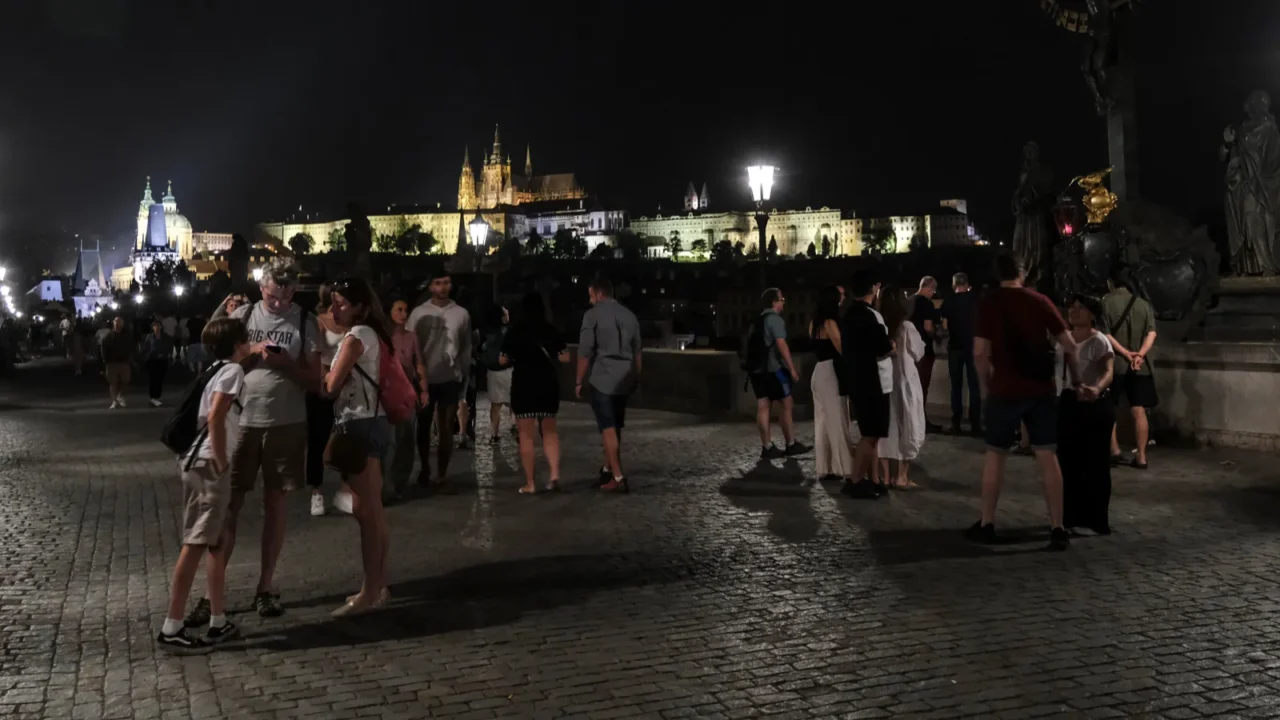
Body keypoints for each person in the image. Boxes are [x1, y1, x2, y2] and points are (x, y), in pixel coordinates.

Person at [190, 257, 321, 625]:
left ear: (294, 290)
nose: (276, 304)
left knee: (276, 505)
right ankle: (209, 594)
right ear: (261, 288)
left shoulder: (304, 322)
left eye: (283, 297)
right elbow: (212, 346)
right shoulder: (245, 315)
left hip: (287, 422)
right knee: (228, 506)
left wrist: (285, 365)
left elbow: (316, 381)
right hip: (240, 421)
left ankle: (266, 587)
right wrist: (248, 350)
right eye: (270, 296)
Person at [966, 253, 1082, 551]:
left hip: (1004, 388)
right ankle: (1057, 527)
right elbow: (1070, 345)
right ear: (1024, 272)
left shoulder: (989, 302)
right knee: (1047, 456)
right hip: (1040, 389)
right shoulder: (1040, 301)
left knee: (995, 455)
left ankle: (987, 522)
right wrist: (1078, 381)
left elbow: (980, 352)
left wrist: (984, 386)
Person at [155, 317, 250, 654]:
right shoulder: (233, 373)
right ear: (239, 344)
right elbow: (216, 416)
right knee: (196, 542)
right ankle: (173, 625)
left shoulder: (214, 369)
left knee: (216, 541)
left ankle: (218, 619)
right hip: (209, 463)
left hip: (195, 460)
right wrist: (222, 460)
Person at [324, 277, 393, 617]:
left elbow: (330, 386)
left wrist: (319, 370)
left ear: (361, 307)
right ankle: (378, 585)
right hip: (373, 421)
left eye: (341, 303)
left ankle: (370, 591)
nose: (334, 308)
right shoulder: (370, 334)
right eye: (333, 302)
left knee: (368, 514)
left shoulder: (358, 336)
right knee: (372, 511)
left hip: (361, 422)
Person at [1056, 294, 1116, 535]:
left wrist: (1096, 388)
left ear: (1092, 314)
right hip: (1068, 401)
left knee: (1096, 464)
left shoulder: (1099, 341)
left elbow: (1109, 371)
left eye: (1081, 308)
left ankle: (1097, 519)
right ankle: (1069, 517)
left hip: (1093, 404)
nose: (1074, 311)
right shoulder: (1063, 339)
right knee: (1068, 463)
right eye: (1072, 307)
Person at [576, 277, 643, 493]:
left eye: (591, 295)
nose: (590, 300)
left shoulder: (592, 316)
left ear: (600, 294)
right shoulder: (630, 316)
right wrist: (637, 378)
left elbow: (585, 353)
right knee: (615, 427)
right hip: (624, 379)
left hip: (603, 378)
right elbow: (638, 352)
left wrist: (578, 381)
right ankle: (607, 468)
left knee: (607, 428)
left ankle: (618, 476)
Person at [408, 270, 472, 491]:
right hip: (424, 379)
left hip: (450, 377)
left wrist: (463, 372)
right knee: (423, 426)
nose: (443, 287)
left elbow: (466, 345)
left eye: (446, 283)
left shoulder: (461, 314)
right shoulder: (418, 313)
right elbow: (409, 345)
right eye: (438, 283)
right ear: (430, 286)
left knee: (446, 428)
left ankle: (442, 472)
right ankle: (425, 466)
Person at [501, 292, 569, 494]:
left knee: (526, 435)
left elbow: (502, 360)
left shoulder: (514, 332)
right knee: (549, 431)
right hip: (547, 383)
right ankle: (554, 475)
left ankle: (530, 483)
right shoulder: (550, 330)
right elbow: (565, 357)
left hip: (524, 384)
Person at [840, 271, 895, 499]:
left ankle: (873, 480)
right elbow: (884, 347)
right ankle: (855, 481)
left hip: (857, 380)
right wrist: (892, 344)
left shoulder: (848, 314)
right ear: (874, 288)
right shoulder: (872, 316)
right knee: (871, 434)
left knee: (869, 433)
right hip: (874, 382)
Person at [1101, 266, 1158, 470]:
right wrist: (1139, 355)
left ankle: (1114, 450)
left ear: (1111, 283)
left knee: (1110, 409)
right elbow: (1152, 333)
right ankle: (1141, 456)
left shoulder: (1106, 302)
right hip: (1139, 367)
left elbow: (1105, 334)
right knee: (1138, 410)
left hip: (1114, 365)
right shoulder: (1143, 304)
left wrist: (1125, 354)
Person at [746, 288, 809, 460]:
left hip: (755, 370)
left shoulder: (757, 320)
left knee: (763, 406)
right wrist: (792, 369)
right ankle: (790, 443)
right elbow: (782, 346)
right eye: (781, 299)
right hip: (773, 369)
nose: (783, 302)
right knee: (787, 401)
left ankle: (767, 446)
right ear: (774, 302)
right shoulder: (775, 320)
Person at [308, 284, 350, 516]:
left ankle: (346, 487)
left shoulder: (352, 322)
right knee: (318, 438)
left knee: (348, 437)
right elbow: (315, 355)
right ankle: (316, 491)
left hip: (348, 386)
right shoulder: (319, 321)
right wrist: (324, 381)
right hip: (323, 385)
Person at [878, 289, 926, 489]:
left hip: (886, 380)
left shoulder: (880, 325)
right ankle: (902, 476)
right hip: (906, 379)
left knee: (888, 427)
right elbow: (918, 352)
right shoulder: (906, 326)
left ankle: (887, 475)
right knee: (909, 424)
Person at [808, 286, 855, 482]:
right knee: (838, 419)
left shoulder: (814, 323)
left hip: (819, 371)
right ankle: (843, 467)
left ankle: (826, 466)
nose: (844, 296)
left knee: (822, 421)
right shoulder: (830, 323)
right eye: (841, 294)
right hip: (831, 372)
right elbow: (842, 348)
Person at [384, 299, 428, 504]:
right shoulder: (384, 337)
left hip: (408, 392)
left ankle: (400, 482)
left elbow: (418, 362)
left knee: (407, 439)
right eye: (399, 309)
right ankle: (387, 485)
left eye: (405, 310)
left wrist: (423, 388)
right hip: (389, 392)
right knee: (391, 440)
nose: (403, 314)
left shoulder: (411, 337)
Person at [941, 272, 981, 436]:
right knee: (974, 386)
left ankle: (956, 423)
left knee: (956, 386)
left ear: (954, 284)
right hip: (973, 346)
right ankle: (975, 425)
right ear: (967, 284)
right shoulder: (976, 300)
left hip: (955, 347)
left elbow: (944, 325)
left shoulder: (948, 301)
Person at [909, 276, 942, 433]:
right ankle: (921, 420)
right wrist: (937, 335)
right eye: (933, 291)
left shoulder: (908, 301)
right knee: (922, 387)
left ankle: (910, 419)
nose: (933, 294)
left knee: (910, 388)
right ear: (929, 287)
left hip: (908, 352)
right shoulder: (927, 303)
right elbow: (928, 327)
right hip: (923, 351)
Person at [480, 305, 514, 443]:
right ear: (502, 316)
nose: (508, 313)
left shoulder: (486, 331)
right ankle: (514, 425)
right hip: (508, 369)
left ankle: (494, 434)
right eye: (506, 312)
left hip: (492, 371)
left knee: (496, 404)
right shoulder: (508, 331)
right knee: (513, 400)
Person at [141, 319, 175, 407]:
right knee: (152, 378)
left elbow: (169, 347)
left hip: (162, 360)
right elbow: (145, 348)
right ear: (152, 327)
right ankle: (153, 397)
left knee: (160, 378)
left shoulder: (166, 337)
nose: (156, 327)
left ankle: (157, 396)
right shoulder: (149, 337)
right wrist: (145, 356)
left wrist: (167, 355)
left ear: (161, 327)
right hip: (152, 360)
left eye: (158, 325)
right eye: (155, 326)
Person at [102, 316, 133, 409]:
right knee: (113, 382)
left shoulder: (127, 336)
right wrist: (105, 360)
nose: (117, 323)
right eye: (116, 321)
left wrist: (130, 358)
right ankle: (114, 401)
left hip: (124, 361)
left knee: (126, 380)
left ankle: (120, 395)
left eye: (119, 322)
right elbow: (103, 349)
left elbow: (131, 347)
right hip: (111, 362)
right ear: (113, 323)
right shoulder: (108, 336)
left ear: (122, 324)